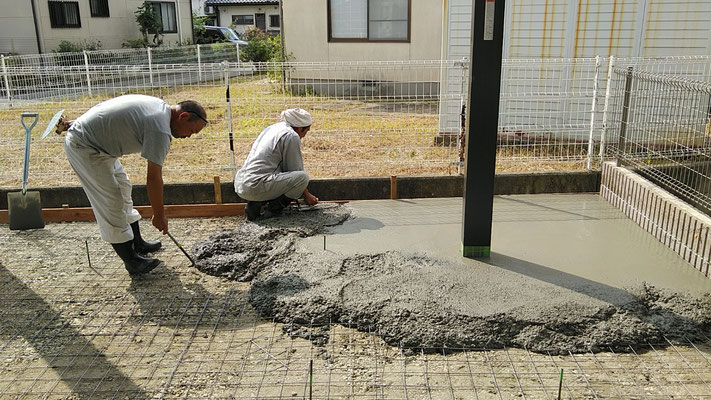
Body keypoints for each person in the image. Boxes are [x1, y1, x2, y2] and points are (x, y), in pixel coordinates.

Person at [60, 94, 208, 275]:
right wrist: (159, 214)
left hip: (99, 144)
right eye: (191, 131)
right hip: (84, 146)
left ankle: (137, 243)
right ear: (183, 116)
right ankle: (131, 261)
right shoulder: (160, 129)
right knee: (111, 201)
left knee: (123, 187)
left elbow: (113, 110)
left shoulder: (159, 106)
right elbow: (153, 178)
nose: (188, 137)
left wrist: (79, 122)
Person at [235, 108, 319, 221]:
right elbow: (294, 170)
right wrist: (307, 196)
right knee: (302, 178)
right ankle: (273, 211)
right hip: (255, 186)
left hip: (241, 185)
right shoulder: (291, 136)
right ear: (299, 128)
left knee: (272, 172)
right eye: (306, 131)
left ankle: (253, 207)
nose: (304, 136)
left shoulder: (272, 129)